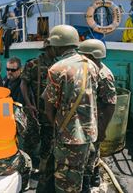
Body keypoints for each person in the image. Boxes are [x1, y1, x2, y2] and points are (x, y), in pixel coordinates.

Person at [42, 25, 99, 193]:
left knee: (65, 182)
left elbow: (49, 107)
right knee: (80, 175)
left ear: (58, 45)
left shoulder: (57, 69)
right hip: (89, 134)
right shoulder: (92, 65)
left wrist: (59, 126)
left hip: (68, 137)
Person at [78, 39, 116, 192]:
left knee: (90, 154)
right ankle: (94, 176)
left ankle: (87, 184)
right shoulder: (90, 71)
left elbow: (110, 105)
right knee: (93, 153)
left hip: (95, 122)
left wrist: (102, 128)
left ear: (91, 56)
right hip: (90, 120)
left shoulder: (103, 75)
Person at [20, 39, 56, 177]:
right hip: (34, 111)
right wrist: (29, 104)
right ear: (48, 49)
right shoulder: (32, 64)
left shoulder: (57, 65)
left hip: (50, 112)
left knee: (48, 139)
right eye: (54, 48)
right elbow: (24, 84)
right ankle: (26, 169)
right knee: (30, 140)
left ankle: (43, 170)